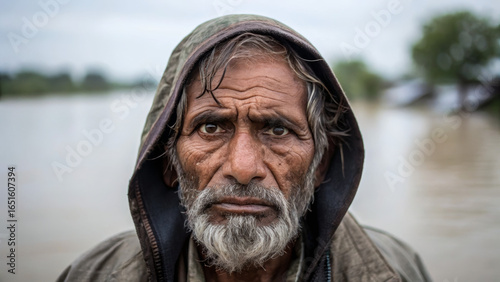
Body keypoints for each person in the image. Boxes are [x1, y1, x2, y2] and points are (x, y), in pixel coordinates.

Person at [57, 14, 432, 282]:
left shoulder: (396, 269)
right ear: (169, 161)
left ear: (320, 163)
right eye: (210, 127)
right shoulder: (93, 274)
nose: (242, 166)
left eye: (277, 130)